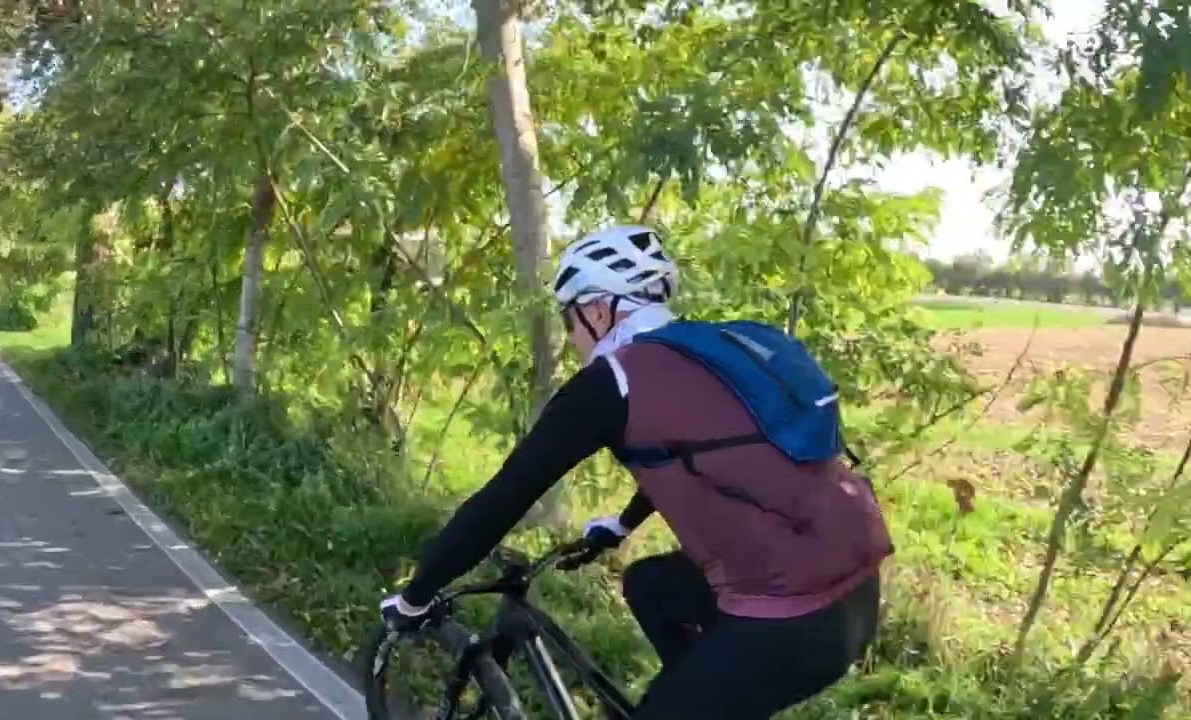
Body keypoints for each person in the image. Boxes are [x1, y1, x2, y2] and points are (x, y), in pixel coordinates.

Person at [379, 224, 894, 718]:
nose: (570, 335)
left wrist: (415, 597)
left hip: (790, 617)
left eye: (569, 318)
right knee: (651, 585)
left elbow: (501, 501)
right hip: (857, 590)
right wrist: (622, 525)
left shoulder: (611, 383)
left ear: (599, 311)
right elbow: (698, 451)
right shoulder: (704, 351)